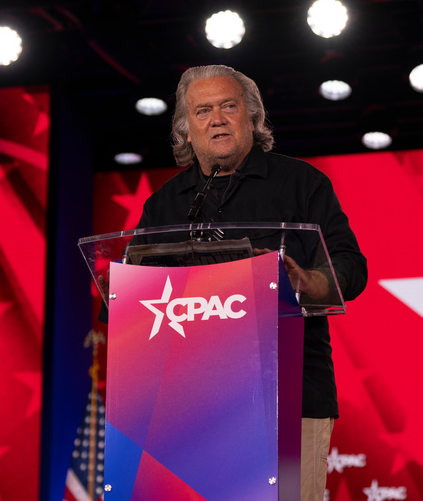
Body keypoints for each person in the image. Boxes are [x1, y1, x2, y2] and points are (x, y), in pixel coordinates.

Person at [133, 64, 368, 501]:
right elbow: (131, 302)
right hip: (190, 408)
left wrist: (306, 280)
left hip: (289, 398)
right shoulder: (164, 204)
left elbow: (351, 268)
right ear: (186, 130)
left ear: (253, 118)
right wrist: (121, 288)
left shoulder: (302, 183)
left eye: (228, 106)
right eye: (203, 111)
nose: (217, 119)